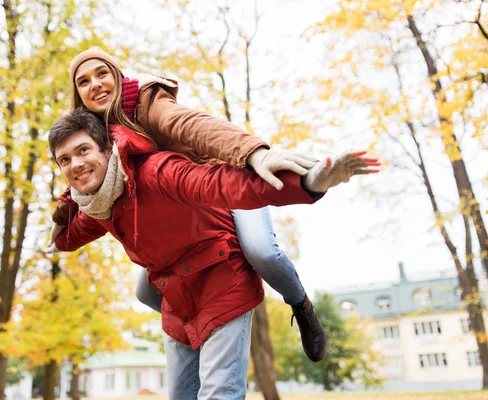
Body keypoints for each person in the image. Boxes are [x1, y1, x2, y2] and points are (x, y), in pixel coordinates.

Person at [50, 46, 381, 362]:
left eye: (101, 73)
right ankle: (200, 329)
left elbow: (192, 126)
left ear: (118, 76)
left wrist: (255, 153)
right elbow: (87, 190)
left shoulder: (146, 103)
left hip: (221, 184)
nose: (95, 84)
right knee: (146, 292)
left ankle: (301, 305)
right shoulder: (93, 137)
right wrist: (64, 211)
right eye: (83, 81)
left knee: (260, 251)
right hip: (186, 215)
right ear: (77, 94)